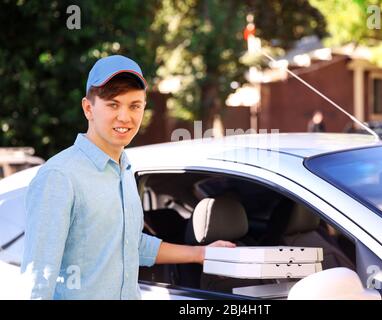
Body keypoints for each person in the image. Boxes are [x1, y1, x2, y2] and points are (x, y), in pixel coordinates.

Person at [21, 55, 235, 300]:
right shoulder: (59, 176)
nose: (125, 117)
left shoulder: (124, 169)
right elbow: (38, 278)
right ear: (88, 108)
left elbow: (130, 245)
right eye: (113, 104)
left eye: (135, 106)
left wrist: (200, 254)